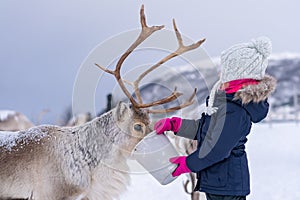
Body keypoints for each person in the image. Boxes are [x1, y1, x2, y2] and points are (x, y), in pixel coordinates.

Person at [154, 36, 277, 200]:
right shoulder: (227, 102)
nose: (221, 74)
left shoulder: (235, 110)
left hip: (227, 186)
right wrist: (176, 125)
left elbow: (217, 150)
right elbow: (207, 130)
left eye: (226, 70)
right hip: (220, 183)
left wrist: (188, 163)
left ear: (237, 74)